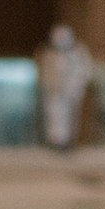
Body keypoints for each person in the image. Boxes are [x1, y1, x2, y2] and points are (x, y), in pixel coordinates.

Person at [39, 21, 93, 152]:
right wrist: (46, 85)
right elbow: (45, 72)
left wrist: (80, 84)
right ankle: (57, 141)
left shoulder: (79, 52)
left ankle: (69, 141)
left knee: (71, 116)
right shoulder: (49, 54)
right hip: (55, 91)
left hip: (73, 90)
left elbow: (87, 70)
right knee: (55, 115)